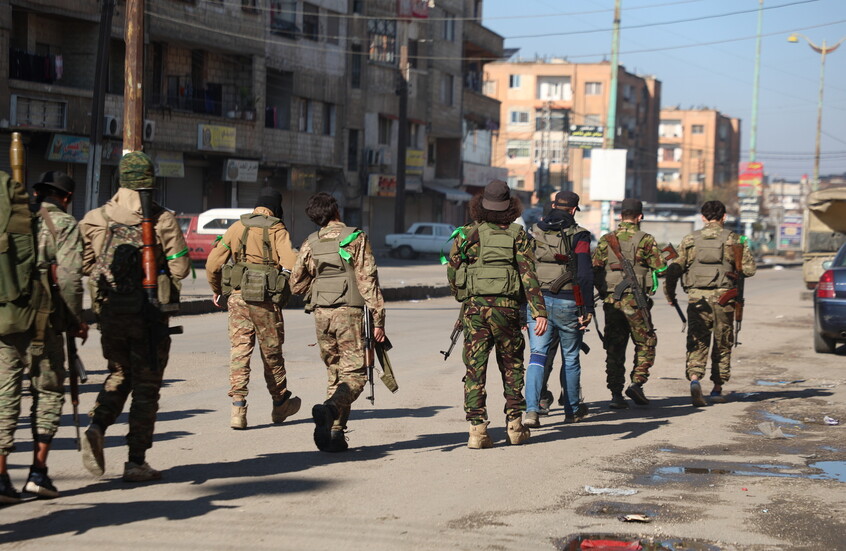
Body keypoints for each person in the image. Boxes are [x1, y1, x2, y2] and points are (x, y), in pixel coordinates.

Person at [79, 151, 190, 482]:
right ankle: (135, 461)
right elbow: (182, 269)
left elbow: (85, 265)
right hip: (149, 317)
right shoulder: (162, 220)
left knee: (118, 373)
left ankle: (98, 426)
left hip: (111, 314)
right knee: (146, 387)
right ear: (150, 182)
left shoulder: (95, 218)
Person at [0, 172, 86, 502]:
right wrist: (76, 321)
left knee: (4, 396)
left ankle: (1, 476)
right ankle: (37, 474)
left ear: (36, 193)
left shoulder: (11, 220)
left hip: (7, 320)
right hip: (44, 325)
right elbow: (69, 279)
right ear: (66, 198)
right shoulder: (63, 224)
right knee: (47, 393)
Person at [446, 180, 547, 448]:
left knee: (475, 369)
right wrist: (539, 312)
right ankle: (515, 426)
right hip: (507, 310)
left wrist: (464, 296)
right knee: (512, 366)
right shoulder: (519, 235)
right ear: (510, 207)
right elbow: (528, 275)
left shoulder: (467, 234)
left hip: (475, 310)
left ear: (480, 206)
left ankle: (477, 431)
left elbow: (453, 271)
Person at [289, 192, 386, 453]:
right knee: (355, 376)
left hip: (322, 314)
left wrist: (319, 290)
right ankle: (330, 410)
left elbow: (296, 284)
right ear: (336, 211)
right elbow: (367, 279)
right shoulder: (355, 236)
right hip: (350, 313)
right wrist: (378, 319)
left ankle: (335, 435)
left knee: (334, 371)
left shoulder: (311, 242)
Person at [206, 188, 300, 430]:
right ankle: (280, 404)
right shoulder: (277, 229)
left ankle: (238, 409)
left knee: (239, 351)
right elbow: (291, 263)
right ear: (275, 209)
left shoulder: (237, 227)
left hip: (237, 299)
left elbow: (213, 263)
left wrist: (217, 289)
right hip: (266, 302)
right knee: (271, 354)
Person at [663, 200, 756, 406]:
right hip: (726, 298)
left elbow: (674, 269)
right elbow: (749, 270)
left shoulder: (690, 239)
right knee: (723, 342)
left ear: (703, 218)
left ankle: (695, 379)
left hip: (697, 298)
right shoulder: (735, 239)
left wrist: (669, 293)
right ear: (724, 217)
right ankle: (717, 388)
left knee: (697, 340)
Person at [523, 191, 593, 428]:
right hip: (568, 303)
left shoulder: (533, 231)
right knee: (571, 357)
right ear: (573, 210)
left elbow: (524, 269)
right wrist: (587, 309)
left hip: (538, 302)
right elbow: (584, 275)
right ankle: (572, 411)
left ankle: (531, 410)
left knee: (537, 356)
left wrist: (525, 305)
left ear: (553, 205)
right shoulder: (580, 235)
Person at [592, 198, 666, 409]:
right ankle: (637, 382)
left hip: (612, 302)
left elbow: (595, 269)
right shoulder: (646, 239)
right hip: (636, 302)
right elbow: (661, 267)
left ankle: (616, 394)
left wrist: (605, 292)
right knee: (646, 341)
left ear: (620, 215)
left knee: (615, 347)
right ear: (640, 216)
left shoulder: (606, 239)